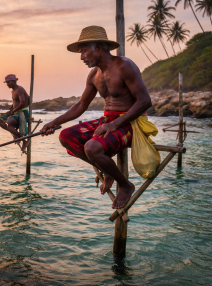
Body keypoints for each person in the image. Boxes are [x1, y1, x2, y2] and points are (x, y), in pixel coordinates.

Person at [40, 25, 152, 209]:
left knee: (92, 147)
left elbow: (145, 101)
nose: (82, 57)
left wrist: (115, 124)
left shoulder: (124, 66)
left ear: (98, 48)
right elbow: (81, 105)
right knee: (65, 137)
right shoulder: (94, 74)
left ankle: (125, 185)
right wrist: (53, 122)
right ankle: (106, 170)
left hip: (130, 122)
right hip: (109, 121)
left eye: (84, 51)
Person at [0, 74, 31, 153]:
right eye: (6, 82)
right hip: (16, 111)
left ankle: (23, 140)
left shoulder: (19, 89)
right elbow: (15, 102)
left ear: (14, 81)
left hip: (22, 112)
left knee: (8, 124)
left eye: (9, 82)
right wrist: (8, 111)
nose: (7, 84)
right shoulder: (13, 91)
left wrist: (13, 111)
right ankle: (16, 135)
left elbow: (22, 102)